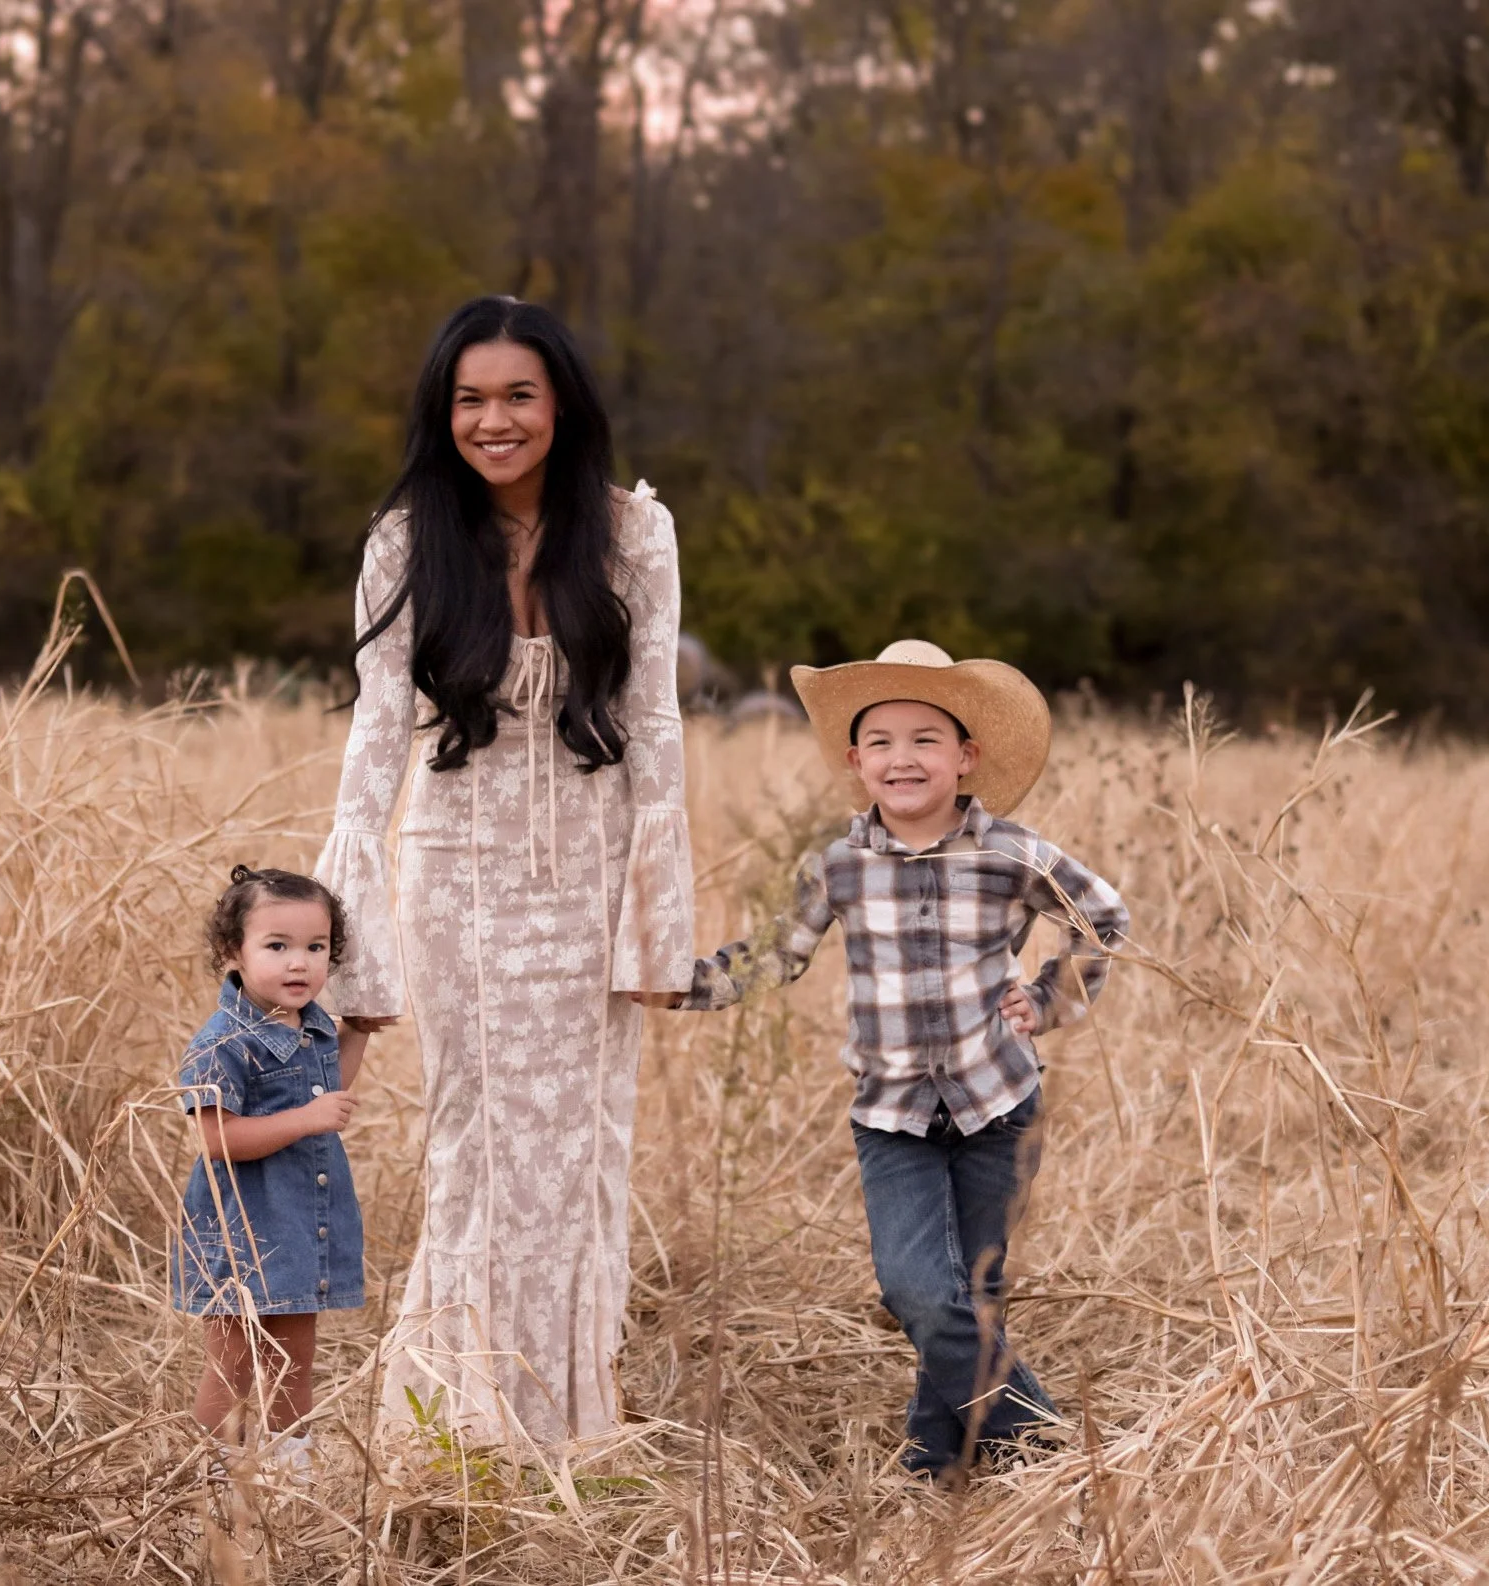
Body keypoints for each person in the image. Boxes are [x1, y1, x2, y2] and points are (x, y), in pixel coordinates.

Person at [316, 296, 694, 1447]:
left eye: (518, 394)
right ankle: (457, 1423)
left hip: (590, 872)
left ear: (561, 402)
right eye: (470, 398)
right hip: (455, 874)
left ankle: (570, 1425)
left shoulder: (634, 534)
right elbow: (378, 727)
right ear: (445, 411)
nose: (495, 420)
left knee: (579, 1148)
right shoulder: (406, 538)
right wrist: (347, 915)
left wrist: (656, 919)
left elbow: (655, 723)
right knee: (473, 1141)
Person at [674, 639, 1129, 1481]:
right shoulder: (838, 866)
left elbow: (1103, 916)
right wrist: (678, 985)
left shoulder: (1010, 853)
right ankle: (1038, 1439)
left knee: (972, 1292)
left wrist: (1050, 997)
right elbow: (775, 954)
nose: (902, 758)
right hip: (892, 1117)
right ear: (856, 763)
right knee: (917, 1291)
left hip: (998, 1105)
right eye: (880, 742)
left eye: (925, 739)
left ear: (965, 757)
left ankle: (936, 1460)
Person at [175, 865, 371, 1474]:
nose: (299, 963)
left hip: (300, 1224)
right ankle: (216, 1470)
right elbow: (218, 1141)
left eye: (316, 947)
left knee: (294, 1356)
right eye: (277, 946)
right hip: (245, 1230)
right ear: (233, 952)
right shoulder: (223, 1043)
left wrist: (358, 1033)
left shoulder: (312, 1025)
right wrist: (308, 1118)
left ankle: (292, 1466)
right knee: (234, 1360)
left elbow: (327, 1088)